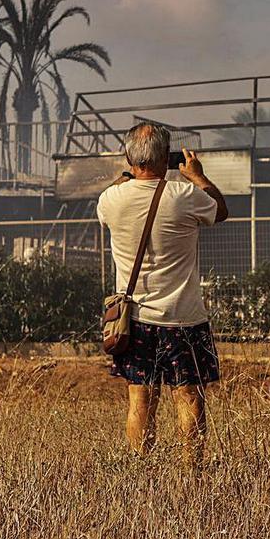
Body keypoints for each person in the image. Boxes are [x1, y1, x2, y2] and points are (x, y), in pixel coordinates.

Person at [97, 122, 228, 468]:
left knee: (140, 401)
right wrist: (197, 176)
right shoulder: (184, 196)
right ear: (165, 158)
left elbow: (108, 200)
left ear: (130, 157)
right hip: (184, 317)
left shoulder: (111, 200)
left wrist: (124, 177)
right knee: (189, 399)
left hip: (135, 321)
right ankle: (193, 476)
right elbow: (221, 211)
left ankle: (142, 473)